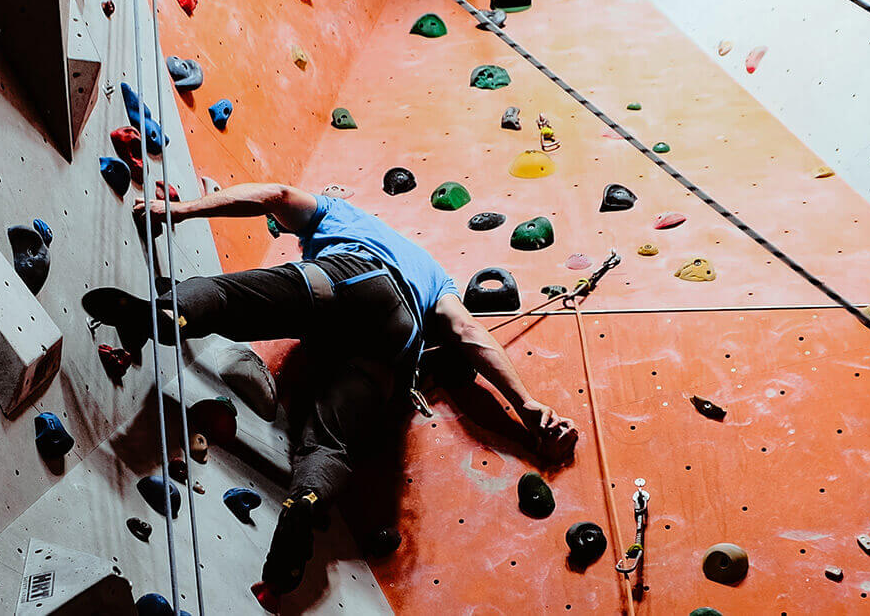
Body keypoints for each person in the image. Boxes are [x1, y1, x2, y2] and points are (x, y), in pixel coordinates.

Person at [86, 182, 578, 602]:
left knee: (228, 298)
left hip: (352, 275)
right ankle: (309, 496)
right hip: (396, 334)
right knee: (328, 443)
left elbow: (274, 194)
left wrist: (177, 210)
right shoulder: (437, 274)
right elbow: (468, 334)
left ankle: (172, 312)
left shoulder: (341, 214)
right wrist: (527, 406)